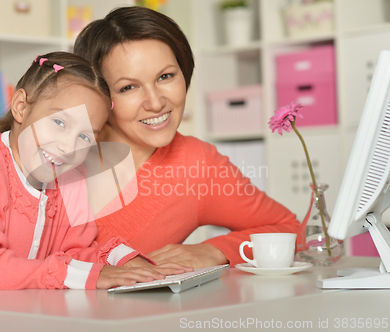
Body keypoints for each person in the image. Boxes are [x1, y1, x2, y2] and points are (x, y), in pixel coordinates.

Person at [73, 7, 300, 268]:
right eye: (128, 87)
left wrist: (215, 251)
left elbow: (289, 229)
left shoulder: (196, 164)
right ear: (99, 94)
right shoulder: (60, 150)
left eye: (165, 76)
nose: (156, 103)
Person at [0, 51, 189, 291]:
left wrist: (129, 264)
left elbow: (78, 252)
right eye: (59, 122)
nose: (68, 147)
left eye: (85, 136)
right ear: (21, 107)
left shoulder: (71, 179)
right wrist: (83, 275)